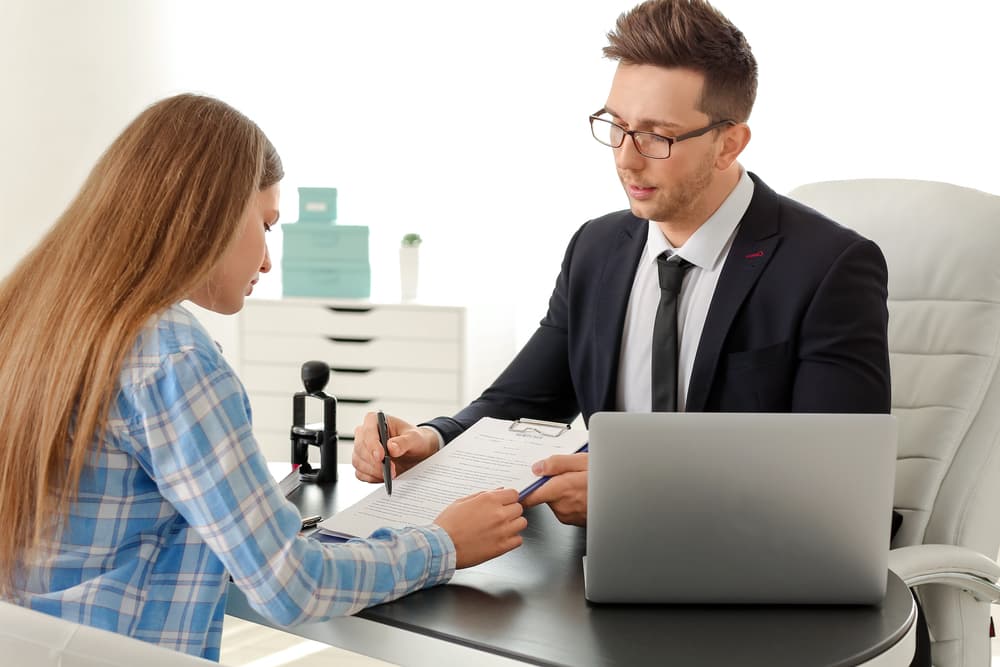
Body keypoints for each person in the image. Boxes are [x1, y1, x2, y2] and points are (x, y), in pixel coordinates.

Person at [0, 93, 526, 661]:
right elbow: (289, 586)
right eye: (267, 225)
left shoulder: (32, 317)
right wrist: (444, 543)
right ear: (210, 211)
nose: (269, 260)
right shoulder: (173, 358)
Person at [352, 0, 891, 527]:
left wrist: (636, 492)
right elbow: (523, 401)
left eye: (658, 136)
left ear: (729, 143)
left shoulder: (829, 268)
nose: (627, 158)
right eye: (616, 125)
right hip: (599, 568)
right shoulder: (597, 247)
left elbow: (836, 478)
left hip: (756, 572)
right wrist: (432, 438)